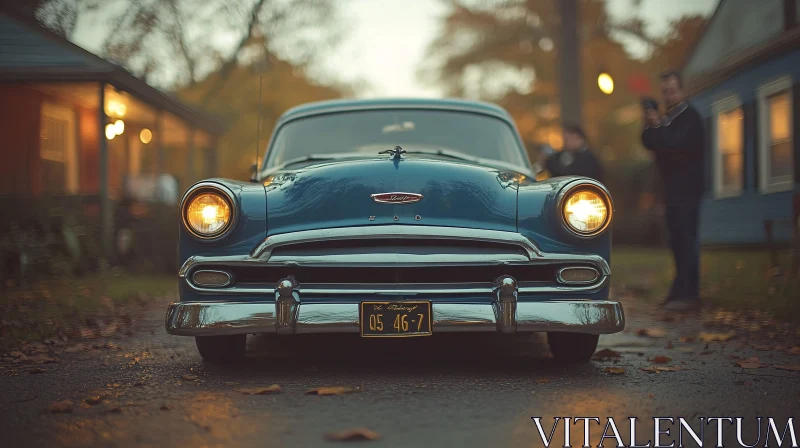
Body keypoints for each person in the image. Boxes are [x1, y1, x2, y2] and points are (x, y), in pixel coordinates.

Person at [641, 71, 705, 312]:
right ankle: (679, 292)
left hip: (688, 188)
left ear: (682, 90)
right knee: (676, 241)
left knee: (687, 239)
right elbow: (649, 141)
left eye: (672, 90)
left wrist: (658, 126)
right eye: (665, 91)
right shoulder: (668, 119)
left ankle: (689, 295)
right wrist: (649, 122)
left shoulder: (689, 117)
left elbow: (673, 144)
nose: (668, 94)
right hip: (671, 190)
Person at [538, 124, 604, 183]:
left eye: (569, 139)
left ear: (580, 139)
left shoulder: (589, 158)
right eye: (565, 139)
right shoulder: (562, 155)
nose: (566, 142)